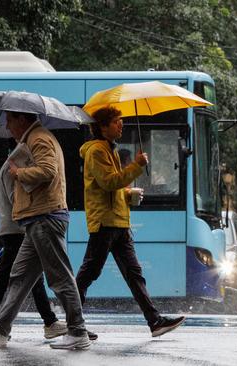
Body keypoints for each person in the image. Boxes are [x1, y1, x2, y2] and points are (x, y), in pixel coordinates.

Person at [0, 111, 91, 350]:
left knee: (59, 277)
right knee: (20, 276)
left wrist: (19, 173)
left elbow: (48, 171)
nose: (8, 127)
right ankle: (0, 329)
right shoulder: (33, 138)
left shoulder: (39, 138)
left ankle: (78, 331)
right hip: (36, 219)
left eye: (10, 121)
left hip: (45, 218)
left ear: (22, 119)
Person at [76, 106, 185, 337]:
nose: (121, 125)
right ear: (103, 127)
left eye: (122, 121)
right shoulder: (96, 151)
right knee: (89, 273)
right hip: (104, 223)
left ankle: (155, 321)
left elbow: (113, 188)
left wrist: (127, 194)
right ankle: (73, 324)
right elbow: (108, 182)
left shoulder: (110, 149)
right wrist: (136, 166)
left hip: (119, 222)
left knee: (134, 273)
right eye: (117, 121)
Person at [0, 142, 67, 340]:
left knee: (31, 277)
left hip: (16, 229)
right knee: (17, 277)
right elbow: (15, 199)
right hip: (15, 229)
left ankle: (48, 321)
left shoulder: (11, 168)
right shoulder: (10, 171)